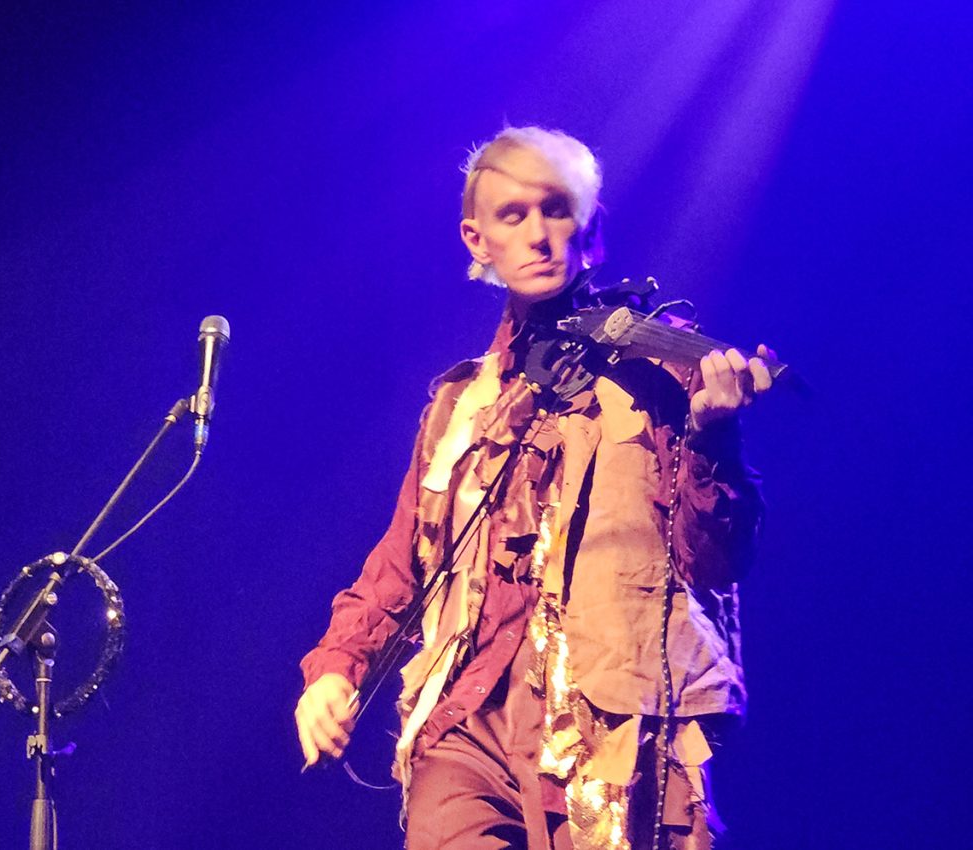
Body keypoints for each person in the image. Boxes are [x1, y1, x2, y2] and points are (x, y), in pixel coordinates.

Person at [295, 126, 773, 850]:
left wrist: (713, 436)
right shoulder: (462, 404)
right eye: (512, 216)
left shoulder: (658, 373)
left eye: (557, 210)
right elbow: (405, 560)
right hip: (469, 718)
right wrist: (336, 669)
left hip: (607, 722)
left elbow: (717, 561)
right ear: (476, 239)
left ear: (593, 229)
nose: (539, 235)